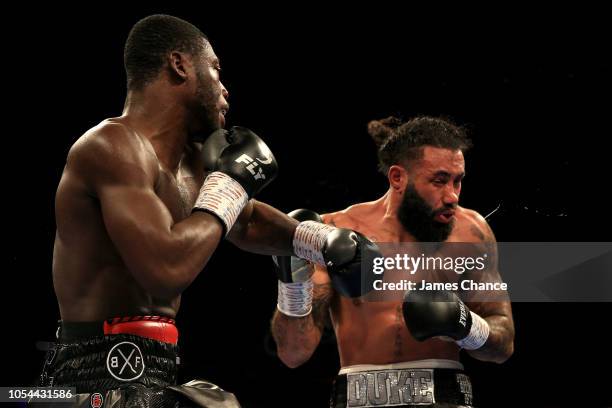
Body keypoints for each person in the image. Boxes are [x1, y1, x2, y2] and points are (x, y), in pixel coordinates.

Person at [40, 14, 380, 407]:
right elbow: (165, 270)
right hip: (91, 377)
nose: (225, 89)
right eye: (216, 69)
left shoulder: (194, 163)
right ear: (180, 64)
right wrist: (230, 184)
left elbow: (248, 220)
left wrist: (318, 240)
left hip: (155, 370)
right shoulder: (111, 147)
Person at [271, 116, 515, 408]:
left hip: (445, 395)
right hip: (357, 395)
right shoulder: (333, 231)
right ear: (398, 178)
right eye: (439, 181)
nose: (452, 195)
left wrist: (465, 326)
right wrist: (292, 280)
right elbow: (293, 353)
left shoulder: (471, 232)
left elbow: (503, 345)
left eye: (458, 181)